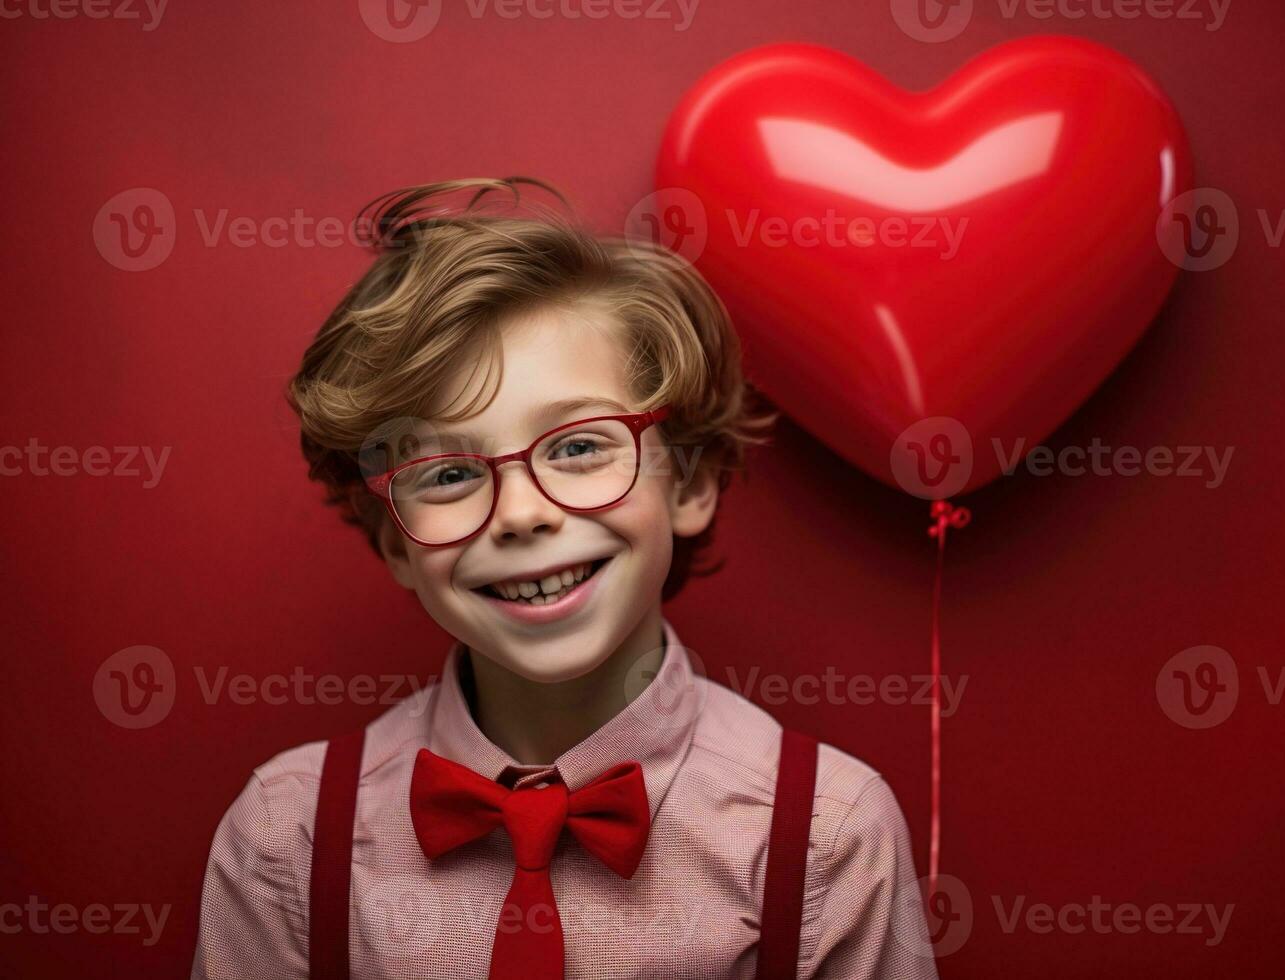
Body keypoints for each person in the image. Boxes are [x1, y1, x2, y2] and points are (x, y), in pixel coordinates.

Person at [190, 178, 939, 979]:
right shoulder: (286, 836)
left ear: (687, 482)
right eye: (446, 473)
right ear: (396, 542)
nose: (519, 514)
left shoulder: (829, 833)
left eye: (579, 446)